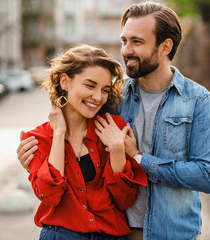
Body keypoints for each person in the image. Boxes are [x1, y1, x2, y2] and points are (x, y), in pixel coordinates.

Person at [17, 2, 210, 239]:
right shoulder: (114, 97)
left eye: (137, 41)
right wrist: (37, 162)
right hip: (122, 232)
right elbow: (73, 111)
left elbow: (206, 175)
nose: (125, 50)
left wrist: (139, 158)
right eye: (124, 41)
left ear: (165, 46)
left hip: (174, 233)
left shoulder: (198, 101)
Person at [21, 44, 147, 240]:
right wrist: (60, 133)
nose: (98, 97)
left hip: (111, 235)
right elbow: (50, 195)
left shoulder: (114, 127)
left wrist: (116, 150)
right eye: (90, 85)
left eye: (105, 89)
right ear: (65, 82)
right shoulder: (38, 139)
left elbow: (125, 200)